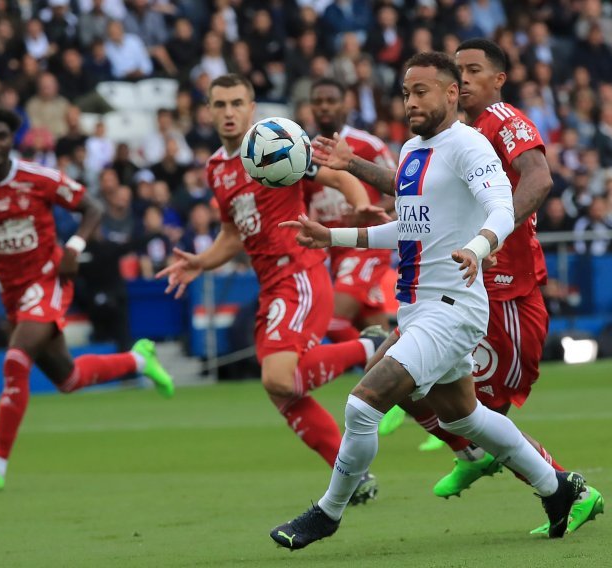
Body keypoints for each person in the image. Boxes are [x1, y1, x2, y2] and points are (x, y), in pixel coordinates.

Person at [270, 52, 586, 550]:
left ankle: (328, 513)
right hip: (418, 304)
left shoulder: (470, 145)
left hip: (453, 307)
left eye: (421, 91)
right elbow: (408, 229)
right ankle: (558, 487)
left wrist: (478, 247)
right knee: (466, 417)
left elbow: (504, 205)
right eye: (405, 92)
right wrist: (333, 237)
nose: (411, 101)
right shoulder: (415, 150)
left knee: (362, 404)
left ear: (451, 94)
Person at [157, 74, 387, 502]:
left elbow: (337, 177)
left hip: (299, 273)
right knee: (281, 391)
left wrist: (359, 206)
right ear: (208, 110)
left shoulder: (276, 140)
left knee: (279, 376)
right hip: (271, 285)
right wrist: (200, 262)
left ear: (252, 106)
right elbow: (231, 235)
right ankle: (352, 476)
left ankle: (370, 347)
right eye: (220, 104)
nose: (228, 112)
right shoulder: (215, 169)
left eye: (237, 103)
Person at [0, 105, 174, 492]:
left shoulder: (38, 178)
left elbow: (91, 207)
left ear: (12, 140)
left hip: (49, 279)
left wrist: (75, 247)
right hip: (13, 292)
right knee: (68, 378)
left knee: (16, 360)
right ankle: (138, 359)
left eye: (1, 136)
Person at [306, 78, 397, 343]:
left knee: (332, 322)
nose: (324, 107)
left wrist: (369, 210)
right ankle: (401, 375)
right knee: (377, 334)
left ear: (345, 105)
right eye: (318, 102)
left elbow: (401, 188)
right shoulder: (303, 153)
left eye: (331, 101)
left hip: (366, 246)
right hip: (335, 251)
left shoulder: (368, 145)